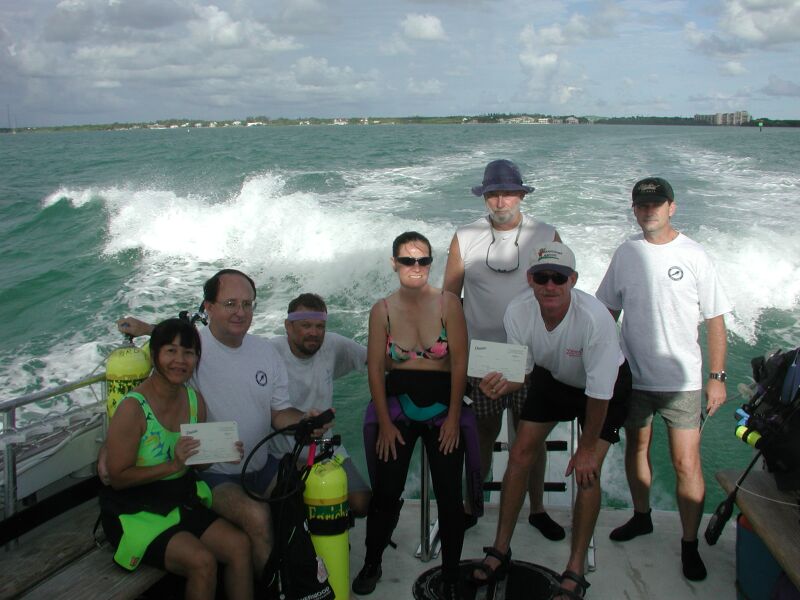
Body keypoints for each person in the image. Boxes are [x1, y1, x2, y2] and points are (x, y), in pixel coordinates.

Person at [116, 269, 331, 578]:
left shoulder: (266, 352)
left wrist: (305, 421)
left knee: (306, 494)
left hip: (263, 463)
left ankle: (299, 581)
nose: (240, 312)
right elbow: (162, 393)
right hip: (212, 476)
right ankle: (268, 591)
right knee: (257, 517)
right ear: (208, 308)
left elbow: (280, 412)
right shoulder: (193, 353)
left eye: (247, 304)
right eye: (230, 303)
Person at [474, 242, 631, 600]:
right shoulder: (517, 311)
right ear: (530, 279)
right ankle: (500, 548)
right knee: (519, 454)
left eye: (558, 278)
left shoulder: (594, 319)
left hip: (606, 389)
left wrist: (588, 447)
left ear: (572, 280)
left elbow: (599, 393)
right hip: (552, 378)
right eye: (541, 277)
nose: (549, 285)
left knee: (586, 471)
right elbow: (523, 372)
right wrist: (498, 384)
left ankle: (575, 568)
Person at [596, 177, 732, 581]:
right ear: (634, 209)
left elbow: (715, 320)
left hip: (684, 382)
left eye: (656, 203)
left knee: (685, 461)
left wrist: (717, 377)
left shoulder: (694, 254)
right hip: (634, 378)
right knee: (636, 449)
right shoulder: (625, 254)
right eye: (641, 204)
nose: (649, 210)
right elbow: (607, 314)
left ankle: (688, 544)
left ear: (672, 207)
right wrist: (600, 366)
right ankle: (642, 517)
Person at [444, 158, 564, 539]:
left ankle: (538, 509)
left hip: (533, 359)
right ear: (484, 197)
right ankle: (472, 505)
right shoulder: (464, 237)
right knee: (481, 434)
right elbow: (449, 299)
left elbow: (560, 295)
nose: (500, 202)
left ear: (521, 195)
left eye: (507, 193)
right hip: (483, 358)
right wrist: (451, 356)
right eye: (492, 194)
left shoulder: (546, 234)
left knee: (530, 438)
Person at [102, 318, 253, 600]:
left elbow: (196, 464)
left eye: (188, 352)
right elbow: (118, 477)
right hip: (135, 510)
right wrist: (172, 465)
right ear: (155, 354)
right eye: (170, 351)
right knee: (202, 562)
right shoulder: (133, 408)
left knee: (240, 545)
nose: (180, 360)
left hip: (180, 499)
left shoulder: (195, 401)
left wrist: (220, 453)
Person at [353, 231, 469, 598]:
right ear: (394, 263)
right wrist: (384, 424)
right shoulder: (382, 310)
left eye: (423, 260)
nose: (415, 267)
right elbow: (375, 369)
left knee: (450, 496)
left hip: (442, 412)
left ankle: (450, 573)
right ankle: (372, 562)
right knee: (387, 491)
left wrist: (453, 418)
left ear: (431, 263)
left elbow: (461, 364)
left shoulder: (449, 304)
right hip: (397, 412)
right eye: (407, 260)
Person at [267, 292, 371, 517]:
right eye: (305, 325)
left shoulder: (331, 344)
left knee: (361, 503)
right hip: (283, 455)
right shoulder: (269, 353)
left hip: (326, 449)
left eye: (320, 326)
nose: (314, 333)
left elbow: (372, 359)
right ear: (288, 326)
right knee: (294, 505)